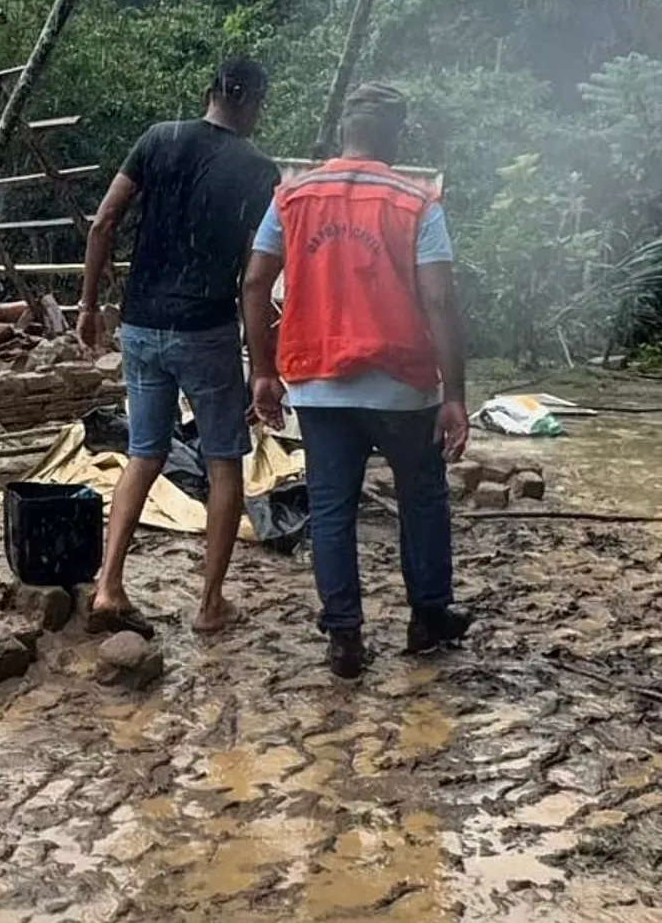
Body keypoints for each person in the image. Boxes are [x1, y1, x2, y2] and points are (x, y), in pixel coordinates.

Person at [242, 82, 471, 680]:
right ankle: (427, 618)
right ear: (395, 136)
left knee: (331, 507)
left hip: (317, 383)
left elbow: (254, 283)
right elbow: (441, 301)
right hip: (402, 384)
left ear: (344, 132)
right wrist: (457, 397)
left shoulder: (291, 196)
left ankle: (344, 637)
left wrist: (262, 370)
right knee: (421, 497)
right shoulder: (416, 202)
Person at [76, 57, 280, 635]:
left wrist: (89, 306)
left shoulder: (157, 139)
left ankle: (109, 585)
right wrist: (261, 356)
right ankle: (210, 605)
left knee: (145, 454)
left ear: (210, 93)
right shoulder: (258, 169)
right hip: (206, 331)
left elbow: (103, 223)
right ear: (250, 103)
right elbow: (254, 271)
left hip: (141, 327)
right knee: (223, 463)